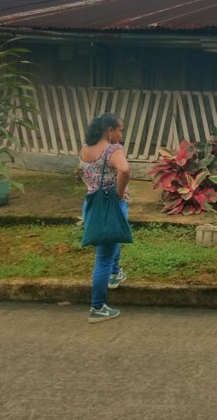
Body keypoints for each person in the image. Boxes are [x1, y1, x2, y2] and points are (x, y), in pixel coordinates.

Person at [79, 113, 131, 323]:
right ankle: (97, 307)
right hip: (110, 205)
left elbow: (86, 175)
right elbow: (125, 169)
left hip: (91, 204)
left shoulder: (85, 149)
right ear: (109, 130)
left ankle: (115, 273)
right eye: (120, 130)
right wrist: (119, 193)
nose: (121, 135)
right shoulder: (113, 150)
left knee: (111, 240)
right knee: (103, 258)